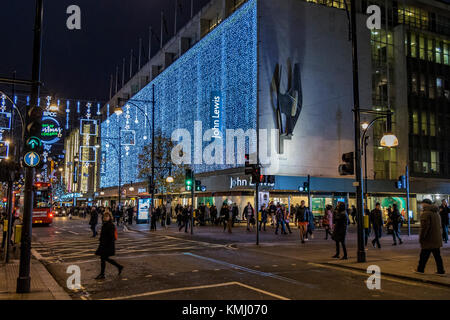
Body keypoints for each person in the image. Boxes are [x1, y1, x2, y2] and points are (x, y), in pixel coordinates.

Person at [415, 199, 445, 275]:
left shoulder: (426, 213)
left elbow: (424, 227)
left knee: (423, 256)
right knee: (437, 256)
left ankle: (420, 270)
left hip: (428, 239)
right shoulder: (436, 213)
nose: (422, 205)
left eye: (422, 204)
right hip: (436, 239)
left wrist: (421, 238)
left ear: (425, 204)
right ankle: (441, 271)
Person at [95, 211, 123, 279]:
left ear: (110, 217)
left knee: (103, 259)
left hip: (107, 245)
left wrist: (106, 243)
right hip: (103, 244)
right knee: (104, 259)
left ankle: (103, 274)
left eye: (107, 216)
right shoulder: (105, 224)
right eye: (104, 216)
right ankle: (118, 267)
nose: (105, 217)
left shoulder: (110, 225)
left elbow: (112, 237)